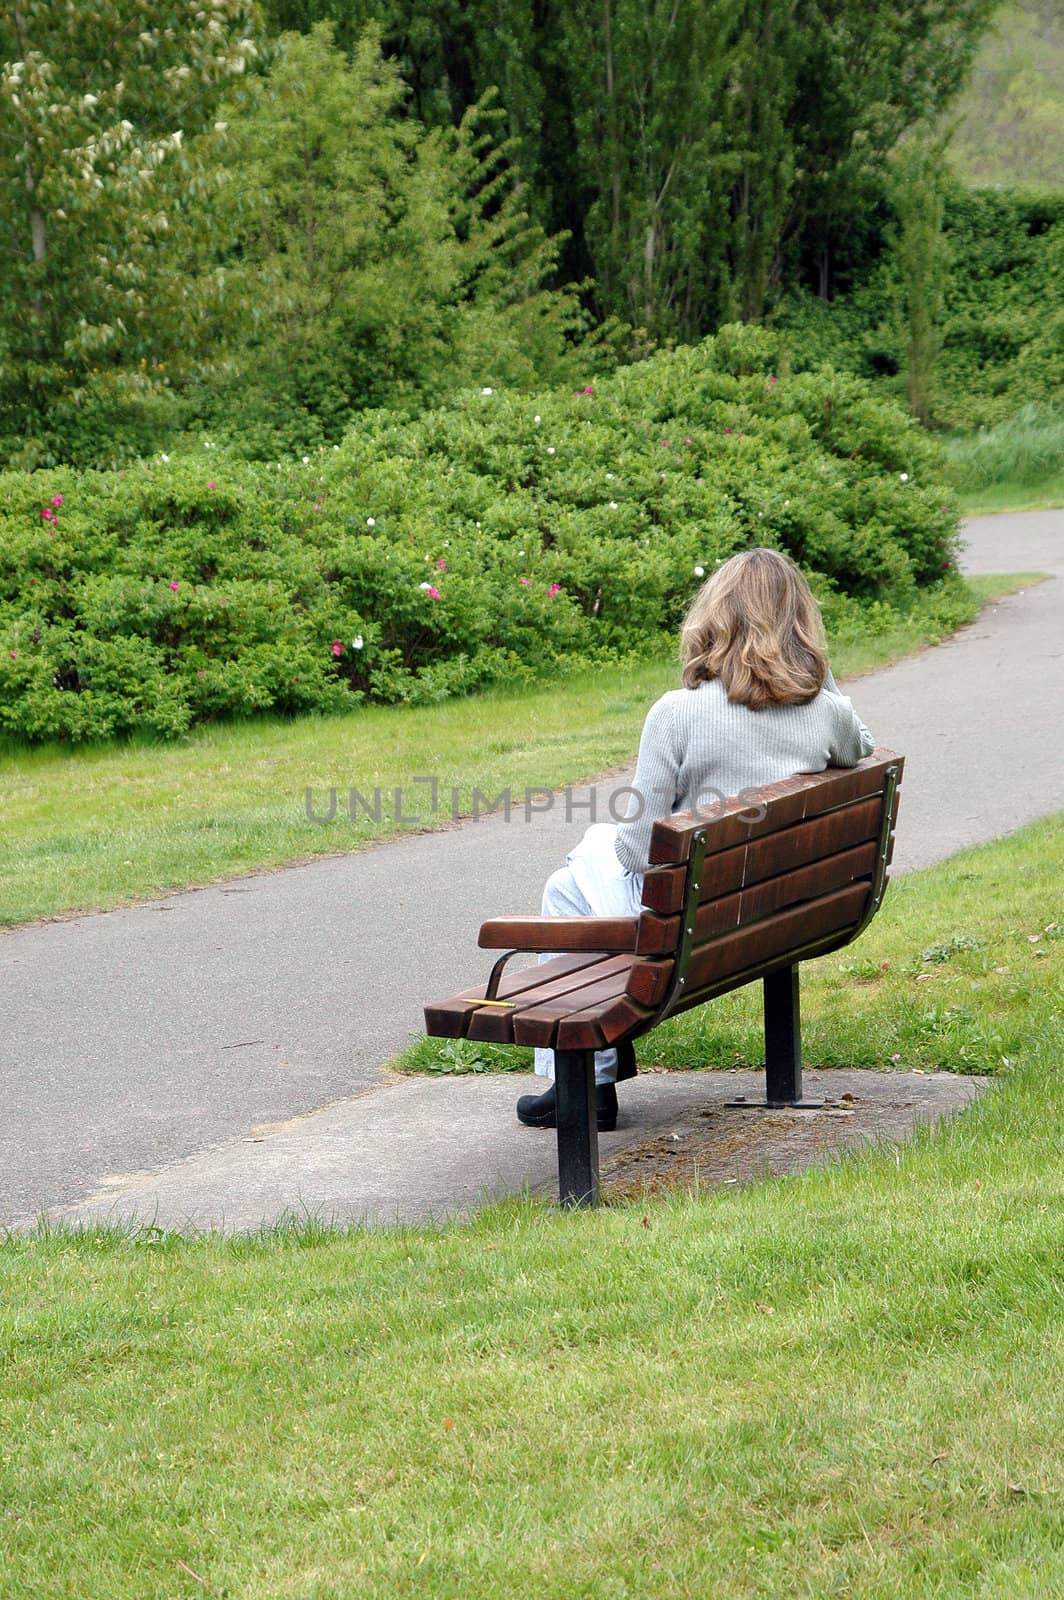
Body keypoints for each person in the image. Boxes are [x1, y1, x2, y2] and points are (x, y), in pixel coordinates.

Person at [516, 546, 876, 1132]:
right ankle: (587, 1080)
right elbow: (862, 743)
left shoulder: (677, 713)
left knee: (580, 864)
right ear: (801, 629)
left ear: (713, 619)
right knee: (569, 883)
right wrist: (818, 671)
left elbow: (636, 853)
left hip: (690, 925)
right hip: (771, 913)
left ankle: (585, 1084)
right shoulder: (824, 714)